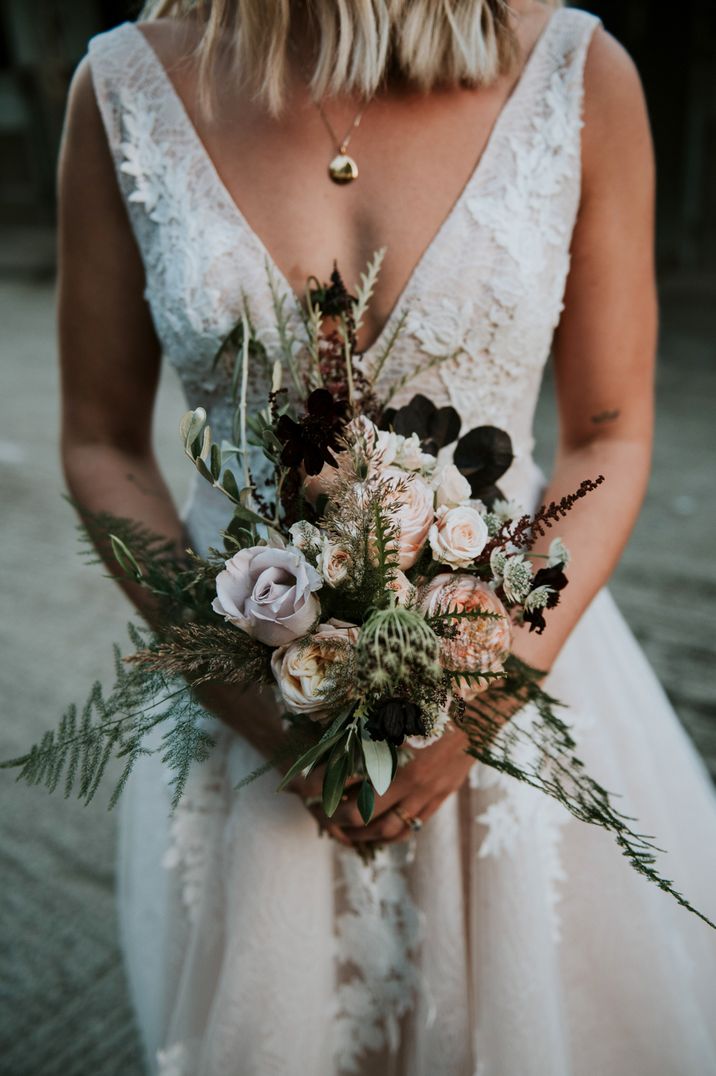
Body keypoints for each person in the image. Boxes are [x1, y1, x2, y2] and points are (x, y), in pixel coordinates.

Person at [58, 1, 716, 1073]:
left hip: (517, 695)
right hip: (251, 731)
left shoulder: (577, 72)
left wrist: (490, 689)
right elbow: (97, 441)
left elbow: (610, 430)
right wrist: (254, 700)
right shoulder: (125, 86)